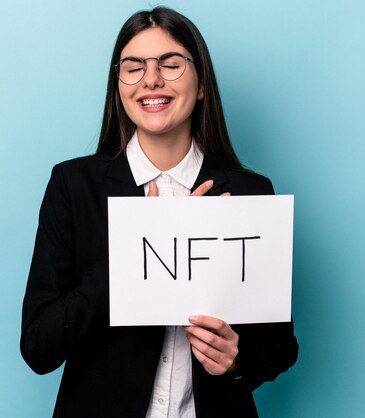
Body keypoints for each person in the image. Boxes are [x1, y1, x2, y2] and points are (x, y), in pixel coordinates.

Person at [21, 6, 298, 418]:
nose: (151, 79)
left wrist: (236, 360)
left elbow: (280, 347)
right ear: (119, 86)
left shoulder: (248, 193)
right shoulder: (73, 186)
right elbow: (39, 346)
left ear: (201, 84)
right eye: (133, 67)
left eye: (170, 64)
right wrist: (136, 250)